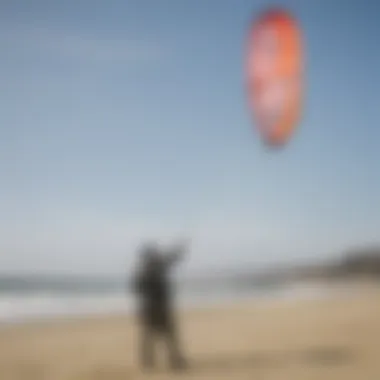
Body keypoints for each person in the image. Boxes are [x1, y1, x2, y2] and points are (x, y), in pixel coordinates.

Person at [130, 240, 188, 370]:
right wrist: (180, 250)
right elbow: (172, 258)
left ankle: (148, 363)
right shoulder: (158, 267)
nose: (157, 255)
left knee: (149, 337)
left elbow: (136, 290)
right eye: (154, 254)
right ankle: (175, 361)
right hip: (160, 309)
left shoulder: (141, 272)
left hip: (148, 309)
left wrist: (179, 250)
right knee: (169, 335)